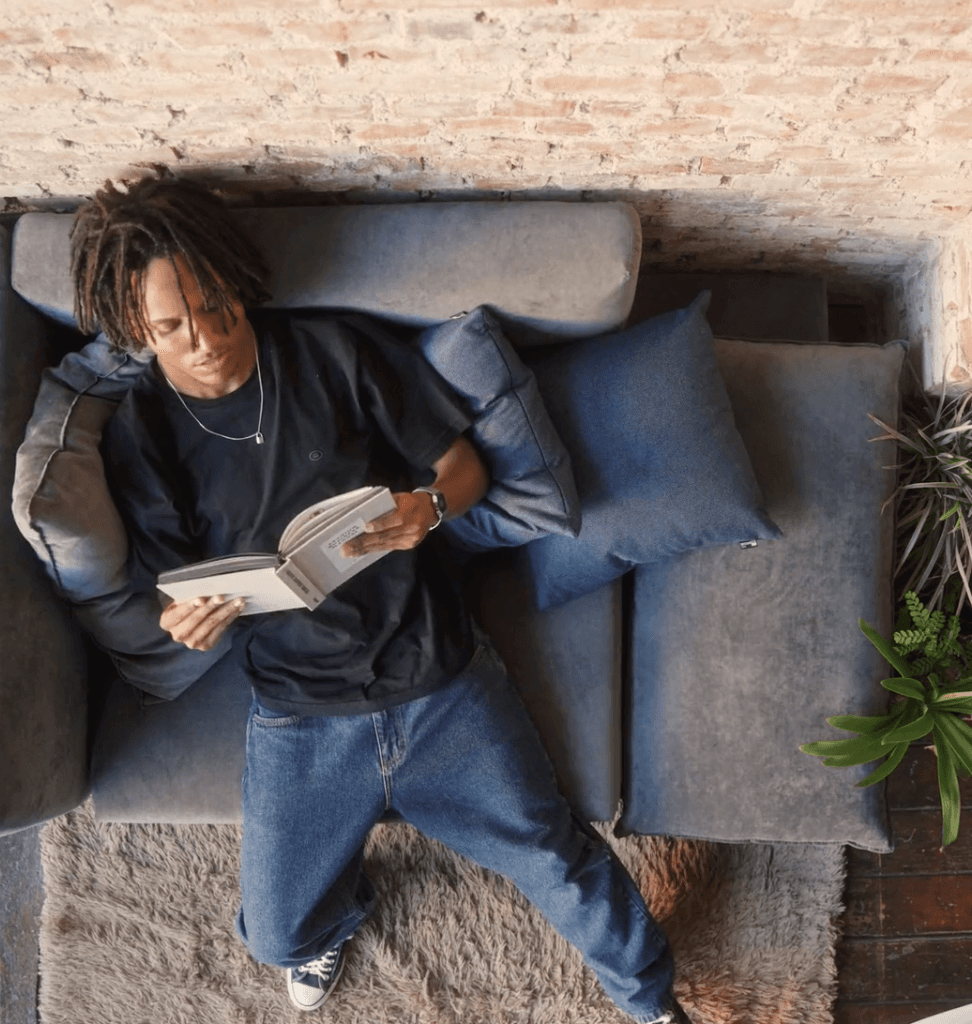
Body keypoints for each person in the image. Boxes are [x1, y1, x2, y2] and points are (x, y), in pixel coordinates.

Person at [70, 171, 692, 1024]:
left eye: (217, 309)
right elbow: (175, 596)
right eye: (172, 328)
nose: (206, 340)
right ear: (134, 325)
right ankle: (340, 906)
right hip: (301, 713)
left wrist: (427, 508)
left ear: (238, 285)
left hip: (438, 675)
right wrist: (189, 625)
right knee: (275, 938)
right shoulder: (144, 432)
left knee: (554, 855)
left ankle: (654, 1004)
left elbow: (463, 467)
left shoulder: (332, 354)